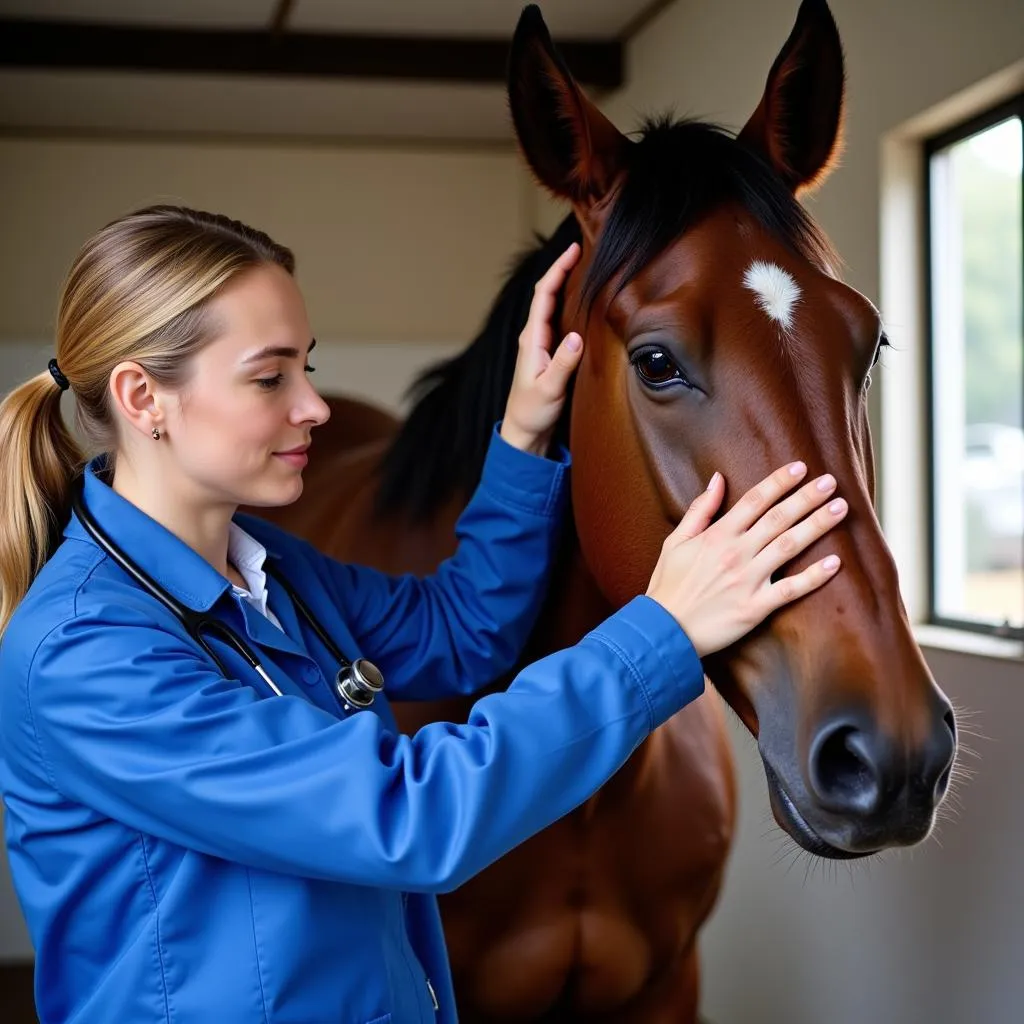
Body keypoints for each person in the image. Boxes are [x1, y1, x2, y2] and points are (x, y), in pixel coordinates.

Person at [0, 206, 848, 1024]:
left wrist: (520, 434)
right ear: (142, 398)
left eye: (309, 368)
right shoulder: (85, 652)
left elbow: (459, 629)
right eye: (270, 378)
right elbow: (407, 819)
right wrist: (660, 632)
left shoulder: (273, 572)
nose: (315, 408)